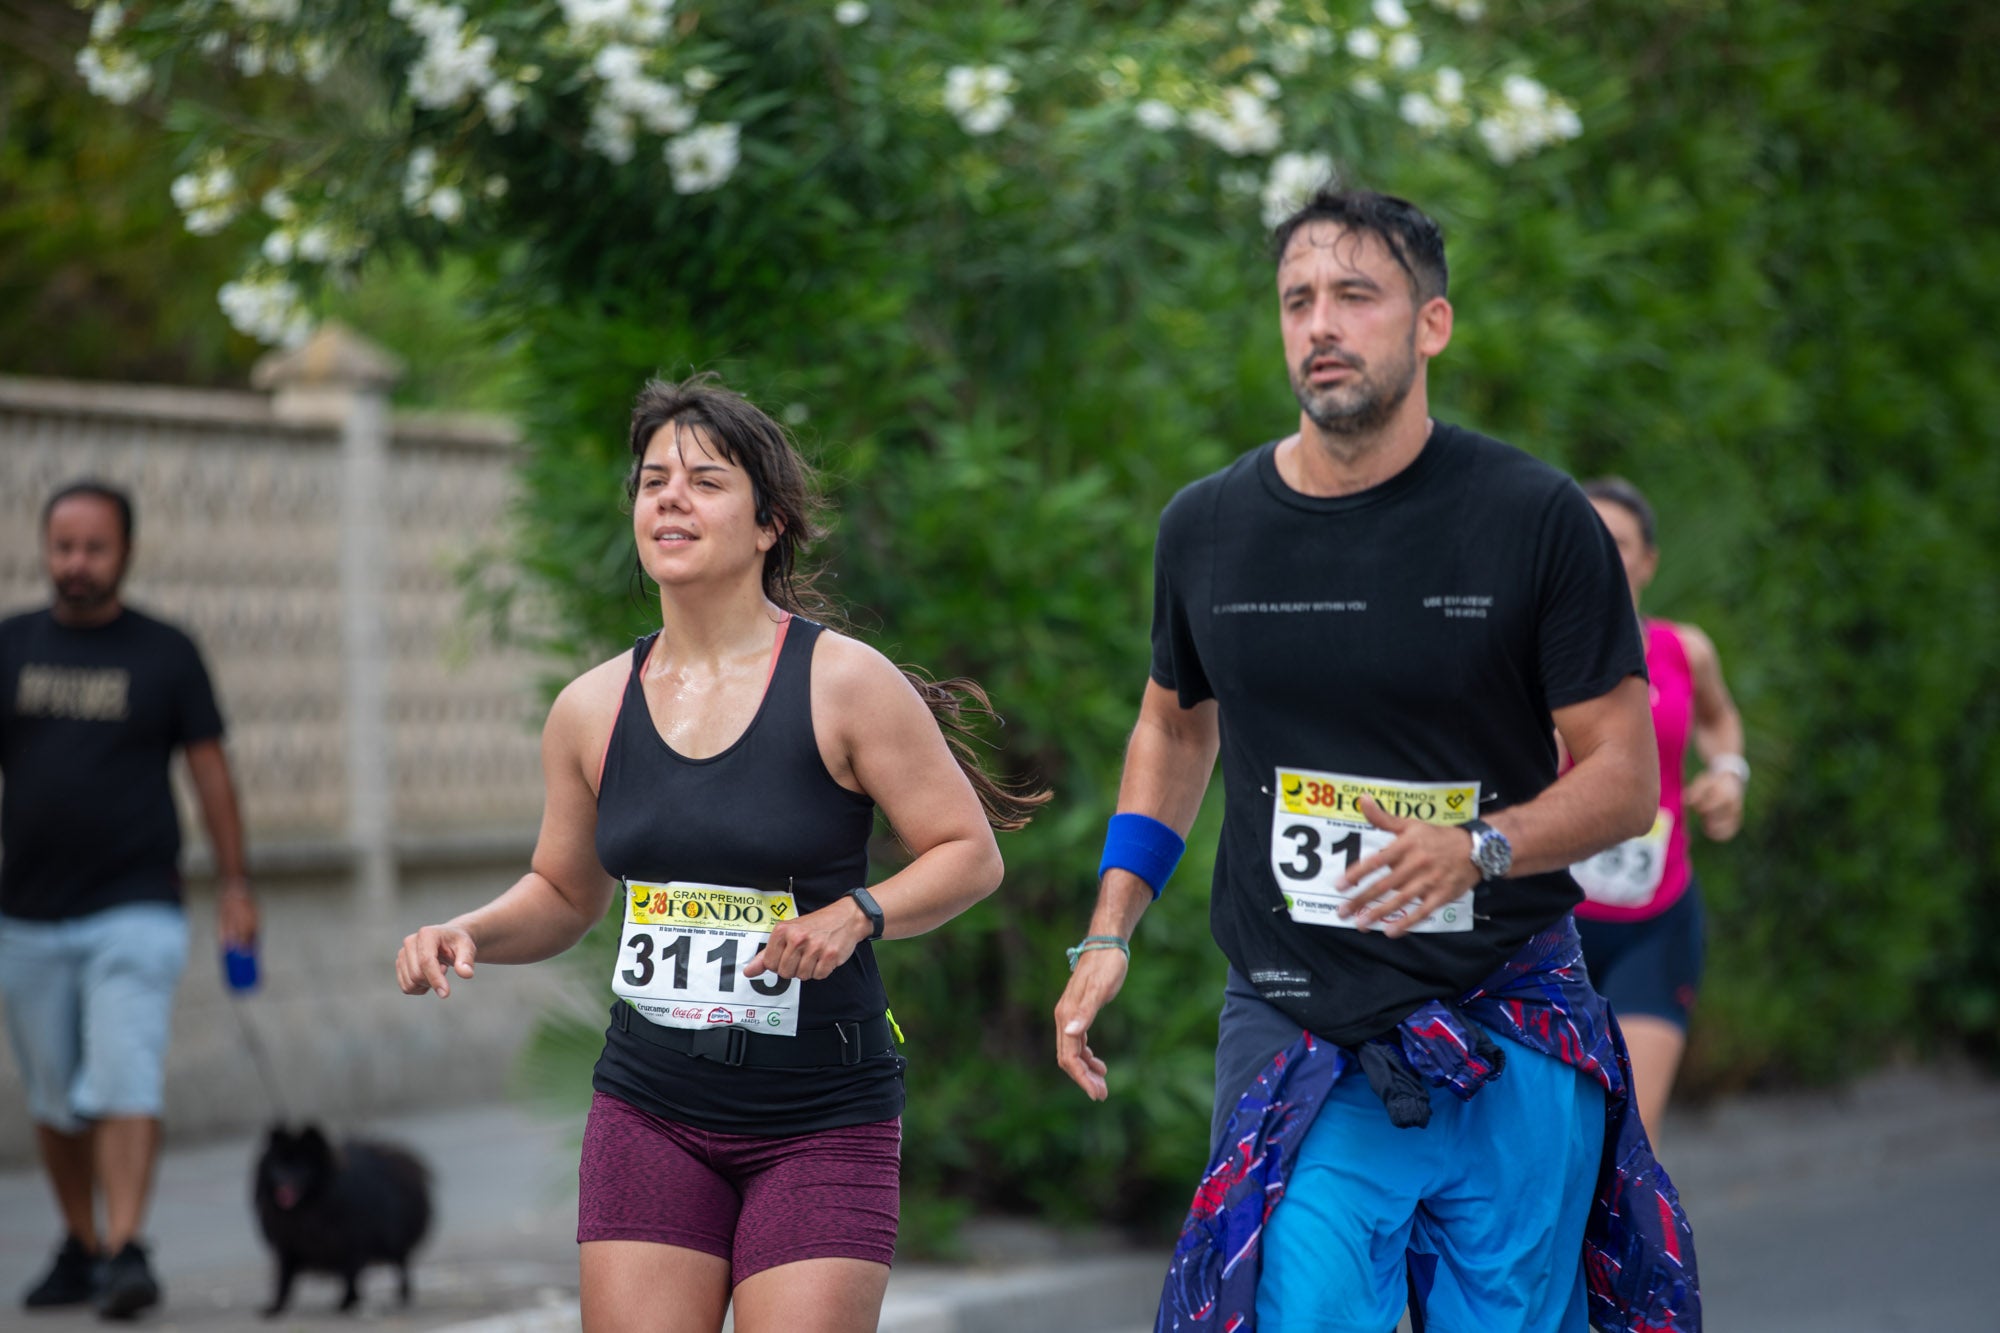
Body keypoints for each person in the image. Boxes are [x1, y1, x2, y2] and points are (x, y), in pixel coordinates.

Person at [1053, 189, 1698, 1333]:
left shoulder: (1534, 519)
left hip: (1505, 1016)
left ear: (1430, 323)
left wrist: (1480, 848)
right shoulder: (1205, 527)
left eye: (1355, 294)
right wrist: (1112, 922)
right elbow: (1173, 724)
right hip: (1302, 1018)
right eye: (1297, 299)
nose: (1320, 324)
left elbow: (1619, 774)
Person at [395, 376, 1045, 1333]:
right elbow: (565, 889)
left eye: (704, 480)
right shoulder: (590, 706)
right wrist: (468, 930)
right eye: (653, 479)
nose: (670, 497)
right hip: (649, 1104)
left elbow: (968, 853)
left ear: (768, 522)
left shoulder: (842, 682)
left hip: (822, 1112)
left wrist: (858, 912)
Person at [0, 479, 256, 1321]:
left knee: (123, 1072)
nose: (76, 563)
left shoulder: (165, 653)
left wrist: (236, 885)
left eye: (93, 548)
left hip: (134, 906)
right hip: (27, 914)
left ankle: (127, 1244)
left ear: (126, 553)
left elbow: (210, 773)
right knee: (52, 1095)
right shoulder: (10, 645)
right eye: (62, 546)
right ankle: (82, 1242)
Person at [1572, 477, 1746, 1143]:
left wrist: (1729, 774)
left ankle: (1607, 1251)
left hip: (1655, 919)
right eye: (1584, 539)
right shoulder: (1524, 653)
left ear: (1648, 561)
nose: (1600, 555)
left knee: (1627, 1140)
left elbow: (1719, 720)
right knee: (1539, 1138)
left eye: (1616, 543)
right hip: (1544, 923)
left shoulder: (1684, 650)